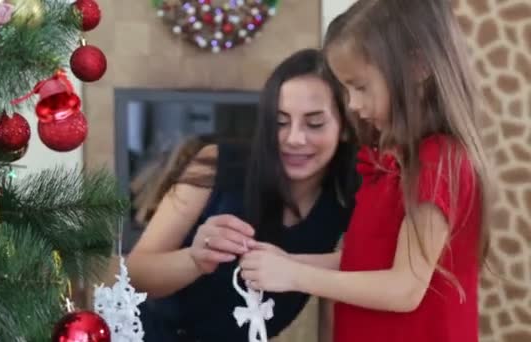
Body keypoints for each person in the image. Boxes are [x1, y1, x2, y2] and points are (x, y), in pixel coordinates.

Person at [239, 1, 491, 342]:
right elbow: (365, 263)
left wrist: (294, 275)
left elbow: (403, 288)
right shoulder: (389, 159)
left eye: (360, 87)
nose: (353, 104)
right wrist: (291, 260)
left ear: (417, 65)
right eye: (346, 90)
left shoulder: (438, 160)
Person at [126, 48, 359, 342]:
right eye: (280, 122)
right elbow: (135, 274)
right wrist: (194, 259)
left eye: (314, 123)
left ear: (345, 128)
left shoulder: (348, 198)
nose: (295, 139)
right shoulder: (215, 162)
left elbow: (340, 293)